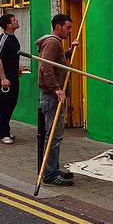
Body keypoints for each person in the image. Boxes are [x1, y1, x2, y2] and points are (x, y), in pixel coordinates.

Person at [36, 13, 79, 186]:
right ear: (58, 26)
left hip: (52, 96)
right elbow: (45, 66)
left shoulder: (55, 43)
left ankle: (53, 168)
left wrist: (69, 51)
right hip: (51, 96)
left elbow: (56, 62)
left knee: (55, 135)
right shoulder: (53, 42)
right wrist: (56, 89)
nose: (70, 31)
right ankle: (49, 175)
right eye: (68, 27)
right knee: (53, 136)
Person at [0, 13, 22, 144]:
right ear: (8, 25)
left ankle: (5, 129)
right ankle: (2, 132)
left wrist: (17, 68)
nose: (17, 21)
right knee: (4, 104)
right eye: (14, 20)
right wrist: (3, 78)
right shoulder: (3, 39)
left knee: (12, 103)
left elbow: (12, 56)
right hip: (4, 78)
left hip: (13, 76)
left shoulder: (13, 39)